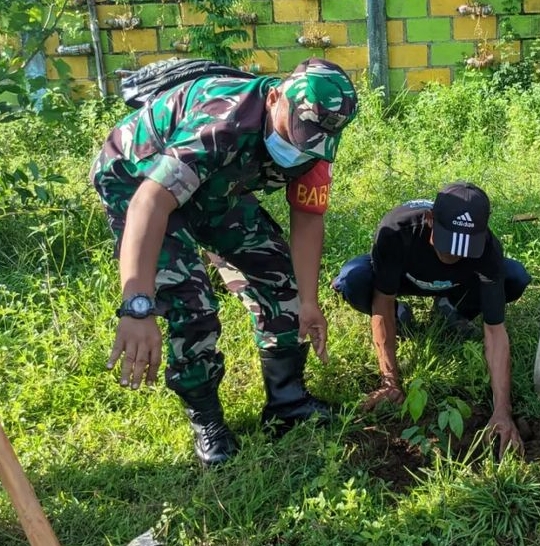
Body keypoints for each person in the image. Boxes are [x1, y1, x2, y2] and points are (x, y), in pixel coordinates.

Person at [91, 57, 359, 466]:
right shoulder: (221, 125)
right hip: (138, 177)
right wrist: (137, 306)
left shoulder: (314, 144)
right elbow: (150, 202)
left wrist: (308, 301)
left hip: (216, 187)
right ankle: (207, 420)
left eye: (315, 139)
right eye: (298, 131)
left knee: (275, 274)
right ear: (274, 98)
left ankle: (286, 401)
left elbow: (307, 219)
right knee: (191, 302)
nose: (302, 146)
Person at [331, 182, 531, 456]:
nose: (453, 255)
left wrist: (502, 411)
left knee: (514, 276)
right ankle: (402, 317)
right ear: (429, 220)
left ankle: (451, 309)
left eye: (465, 248)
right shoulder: (398, 230)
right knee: (353, 280)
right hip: (404, 280)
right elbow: (382, 304)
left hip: (456, 285)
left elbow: (495, 332)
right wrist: (390, 382)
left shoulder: (487, 248)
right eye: (447, 243)